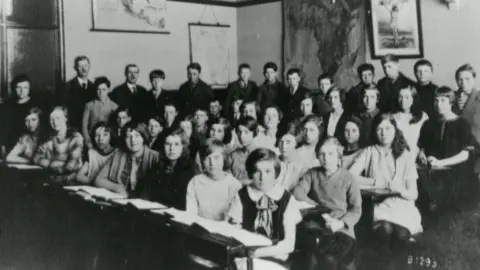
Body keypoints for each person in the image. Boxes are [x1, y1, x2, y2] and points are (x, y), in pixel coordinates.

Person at [349, 113, 422, 267]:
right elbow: (350, 176)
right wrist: (376, 182)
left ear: (395, 130)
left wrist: (400, 189)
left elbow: (413, 194)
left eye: (388, 128)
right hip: (378, 206)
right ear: (374, 132)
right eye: (379, 129)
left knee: (400, 234)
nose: (384, 133)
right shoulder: (369, 151)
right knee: (385, 229)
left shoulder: (405, 155)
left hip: (402, 206)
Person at [228, 148, 302, 270]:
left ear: (276, 172)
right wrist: (247, 252)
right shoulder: (242, 196)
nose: (262, 177)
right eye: (257, 171)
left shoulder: (286, 199)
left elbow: (289, 245)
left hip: (276, 257)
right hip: (245, 258)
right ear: (251, 173)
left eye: (268, 171)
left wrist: (256, 253)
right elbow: (235, 232)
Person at [293, 138, 361, 270]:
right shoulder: (312, 173)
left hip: (341, 229)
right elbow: (298, 191)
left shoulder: (348, 178)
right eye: (322, 154)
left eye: (330, 154)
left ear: (338, 155)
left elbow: (356, 210)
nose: (326, 158)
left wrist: (340, 223)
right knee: (308, 259)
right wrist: (318, 208)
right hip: (318, 225)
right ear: (317, 156)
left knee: (328, 260)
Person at [418, 86, 473, 208]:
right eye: (436, 100)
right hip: (432, 176)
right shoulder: (428, 124)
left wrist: (440, 162)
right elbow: (422, 147)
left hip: (456, 177)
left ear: (451, 103)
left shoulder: (462, 124)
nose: (438, 104)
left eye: (443, 100)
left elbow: (465, 155)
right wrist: (422, 154)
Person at [95, 122, 159, 196]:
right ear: (124, 139)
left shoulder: (155, 157)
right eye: (129, 136)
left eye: (137, 136)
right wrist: (116, 187)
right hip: (121, 200)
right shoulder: (118, 154)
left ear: (143, 138)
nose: (133, 140)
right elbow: (98, 179)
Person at [138, 129, 196, 210]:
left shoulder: (190, 169)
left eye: (176, 144)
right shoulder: (158, 166)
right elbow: (146, 193)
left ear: (183, 146)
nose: (171, 148)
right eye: (168, 144)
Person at [186, 139, 241, 221]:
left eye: (216, 157)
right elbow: (191, 214)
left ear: (224, 158)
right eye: (207, 158)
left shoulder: (234, 185)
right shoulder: (195, 182)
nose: (212, 163)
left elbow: (236, 219)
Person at [34, 107, 84, 183]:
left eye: (58, 118)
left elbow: (70, 167)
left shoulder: (76, 137)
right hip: (50, 179)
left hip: (70, 181)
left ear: (65, 119)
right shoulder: (48, 138)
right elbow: (36, 158)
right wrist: (52, 163)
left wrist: (49, 164)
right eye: (51, 119)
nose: (55, 122)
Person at [454, 64, 480, 175]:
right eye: (460, 79)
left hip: (477, 149)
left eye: (467, 78)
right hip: (456, 149)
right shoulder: (451, 97)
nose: (463, 82)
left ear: (474, 79)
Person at [2, 74, 39, 151]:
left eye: (25, 87)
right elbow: (3, 129)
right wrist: (2, 146)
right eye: (19, 87)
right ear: (14, 88)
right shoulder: (7, 106)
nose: (22, 91)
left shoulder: (36, 105)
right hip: (10, 145)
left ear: (29, 88)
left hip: (30, 145)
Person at [58, 56, 96, 131]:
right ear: (75, 68)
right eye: (80, 66)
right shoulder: (67, 87)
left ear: (89, 66)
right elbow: (64, 110)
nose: (84, 69)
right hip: (73, 129)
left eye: (85, 65)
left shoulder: (94, 87)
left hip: (90, 129)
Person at [82, 76, 118, 149]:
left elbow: (116, 127)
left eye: (104, 89)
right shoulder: (89, 105)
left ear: (108, 90)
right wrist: (87, 141)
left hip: (108, 141)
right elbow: (84, 126)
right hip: (92, 140)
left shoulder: (114, 106)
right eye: (98, 89)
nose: (101, 93)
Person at [392, 85, 428, 156]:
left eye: (407, 97)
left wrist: (422, 151)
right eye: (400, 97)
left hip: (415, 154)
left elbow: (427, 139)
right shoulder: (393, 116)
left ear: (413, 98)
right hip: (397, 153)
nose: (403, 100)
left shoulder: (423, 116)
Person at [276, 124, 307, 191]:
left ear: (296, 144)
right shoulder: (272, 161)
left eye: (288, 142)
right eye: (281, 142)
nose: (283, 146)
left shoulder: (301, 168)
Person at [227, 116, 258, 184]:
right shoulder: (233, 154)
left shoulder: (259, 155)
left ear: (254, 133)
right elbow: (227, 176)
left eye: (246, 132)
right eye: (239, 132)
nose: (241, 136)